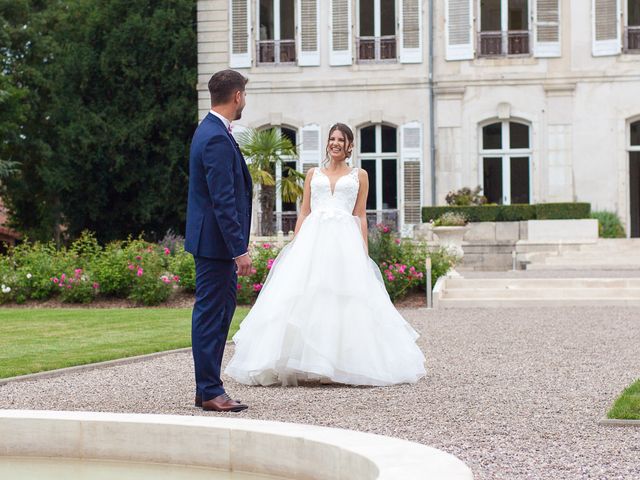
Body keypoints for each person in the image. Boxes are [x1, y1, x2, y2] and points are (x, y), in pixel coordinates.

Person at [225, 123, 426, 387]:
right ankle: (299, 361)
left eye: (341, 139)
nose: (335, 143)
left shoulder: (360, 175)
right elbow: (305, 211)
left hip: (345, 241)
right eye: (332, 139)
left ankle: (342, 364)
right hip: (313, 240)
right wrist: (296, 245)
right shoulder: (313, 173)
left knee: (342, 299)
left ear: (349, 145)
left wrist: (363, 252)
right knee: (304, 297)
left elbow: (360, 214)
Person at [184, 69, 253, 412]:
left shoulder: (213, 131)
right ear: (237, 96)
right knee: (212, 315)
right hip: (216, 246)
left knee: (217, 313)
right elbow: (222, 200)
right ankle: (210, 390)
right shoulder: (214, 137)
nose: (245, 101)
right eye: (245, 95)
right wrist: (238, 249)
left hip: (213, 244)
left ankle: (206, 388)